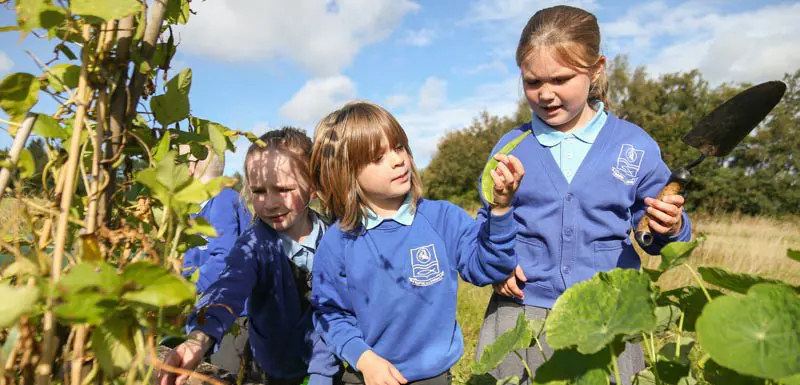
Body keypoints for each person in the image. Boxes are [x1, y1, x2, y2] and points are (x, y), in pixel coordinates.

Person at [474, 5, 693, 385]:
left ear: (595, 70)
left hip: (605, 317)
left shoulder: (632, 146)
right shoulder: (512, 147)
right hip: (522, 313)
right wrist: (498, 264)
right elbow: (486, 222)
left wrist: (670, 226)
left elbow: (660, 236)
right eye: (532, 82)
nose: (545, 94)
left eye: (560, 79)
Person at [309, 101, 524, 385]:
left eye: (398, 147)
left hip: (432, 377)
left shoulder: (442, 217)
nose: (397, 160)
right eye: (377, 157)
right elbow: (331, 313)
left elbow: (488, 268)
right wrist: (364, 359)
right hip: (365, 375)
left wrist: (499, 211)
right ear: (345, 173)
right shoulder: (338, 242)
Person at [160, 128, 340, 385]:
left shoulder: (334, 240)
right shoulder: (255, 244)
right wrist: (198, 338)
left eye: (282, 189)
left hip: (326, 365)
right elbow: (230, 285)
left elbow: (336, 310)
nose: (269, 203)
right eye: (258, 191)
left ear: (312, 187)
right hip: (269, 367)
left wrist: (322, 374)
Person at [175, 146, 253, 377]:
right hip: (212, 307)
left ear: (191, 168)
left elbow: (224, 259)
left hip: (237, 313)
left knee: (221, 371)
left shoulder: (223, 200)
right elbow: (192, 258)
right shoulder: (196, 209)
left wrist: (185, 289)